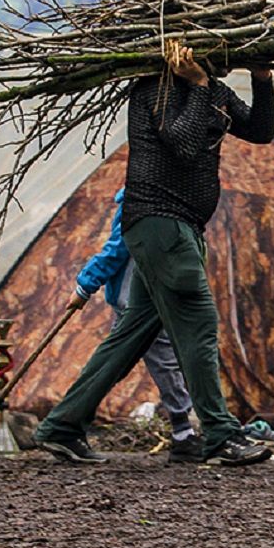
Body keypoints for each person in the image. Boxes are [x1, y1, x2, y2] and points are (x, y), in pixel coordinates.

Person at [34, 41, 274, 466]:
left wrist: (262, 79)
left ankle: (63, 425)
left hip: (177, 229)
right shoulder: (155, 88)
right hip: (161, 223)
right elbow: (181, 144)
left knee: (131, 335)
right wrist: (197, 84)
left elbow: (260, 130)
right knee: (199, 324)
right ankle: (220, 433)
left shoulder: (215, 92)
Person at [73, 187, 200, 462]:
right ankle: (183, 434)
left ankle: (69, 423)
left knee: (112, 367)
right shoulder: (139, 200)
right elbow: (117, 249)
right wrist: (86, 284)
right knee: (161, 360)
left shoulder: (162, 197)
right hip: (135, 302)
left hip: (147, 298)